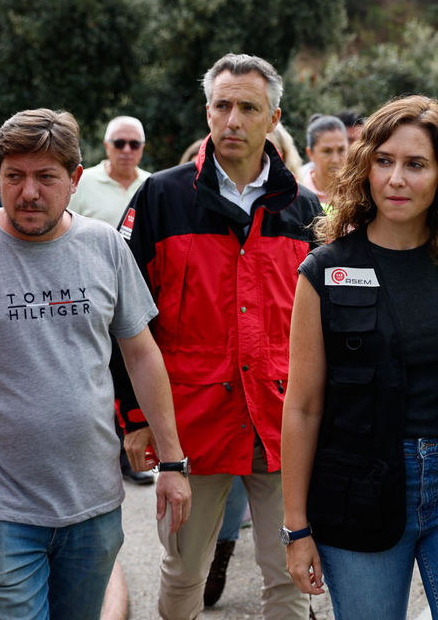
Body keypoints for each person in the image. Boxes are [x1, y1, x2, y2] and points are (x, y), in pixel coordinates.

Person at [0, 108, 191, 619]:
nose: (29, 192)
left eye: (46, 177)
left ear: (74, 180)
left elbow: (141, 353)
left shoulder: (106, 248)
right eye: (14, 176)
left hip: (92, 504)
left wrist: (174, 462)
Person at [282, 95, 438, 619]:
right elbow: (302, 407)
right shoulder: (324, 272)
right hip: (358, 487)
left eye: (416, 164)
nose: (396, 178)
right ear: (365, 167)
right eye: (384, 160)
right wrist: (296, 527)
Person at [115, 53, 322, 620]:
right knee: (183, 570)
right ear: (207, 111)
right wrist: (133, 417)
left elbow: (329, 329)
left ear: (273, 116)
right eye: (222, 105)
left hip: (283, 421)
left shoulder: (306, 210)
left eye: (248, 107)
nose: (233, 119)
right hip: (191, 428)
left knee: (288, 574)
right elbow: (123, 319)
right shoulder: (161, 197)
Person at [70, 116, 152, 228]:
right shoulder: (80, 181)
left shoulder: (151, 184)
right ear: (106, 146)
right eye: (119, 143)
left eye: (134, 144)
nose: (127, 150)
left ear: (142, 148)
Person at [302, 114, 349, 206]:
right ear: (310, 153)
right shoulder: (300, 196)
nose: (335, 160)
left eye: (341, 150)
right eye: (327, 151)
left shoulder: (359, 194)